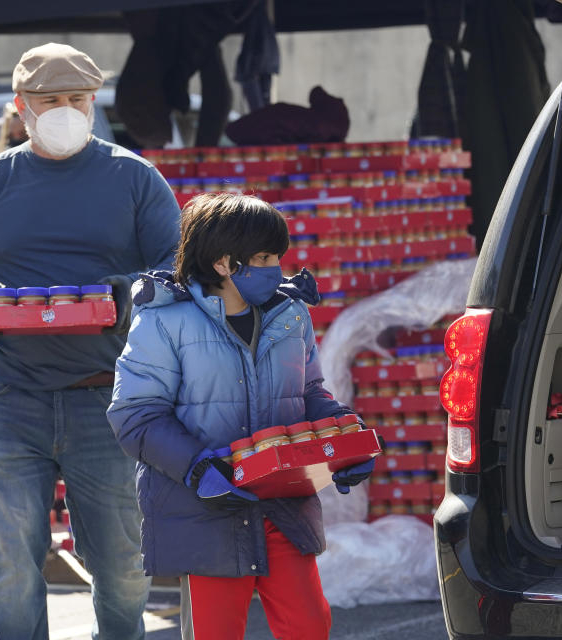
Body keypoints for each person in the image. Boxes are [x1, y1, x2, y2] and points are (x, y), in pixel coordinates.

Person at [0, 42, 181, 640]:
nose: (65, 109)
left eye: (77, 99)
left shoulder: (135, 178)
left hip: (110, 400)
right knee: (13, 566)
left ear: (94, 103)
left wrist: (118, 296)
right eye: (50, 101)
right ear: (21, 107)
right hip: (9, 399)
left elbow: (175, 271)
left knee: (122, 568)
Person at [105, 193, 375, 640]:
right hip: (205, 511)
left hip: (284, 505)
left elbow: (309, 393)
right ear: (223, 263)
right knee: (216, 632)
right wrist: (199, 468)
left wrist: (345, 439)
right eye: (264, 257)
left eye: (277, 256)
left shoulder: (291, 315)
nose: (276, 267)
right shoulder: (163, 321)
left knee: (309, 627)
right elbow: (135, 414)